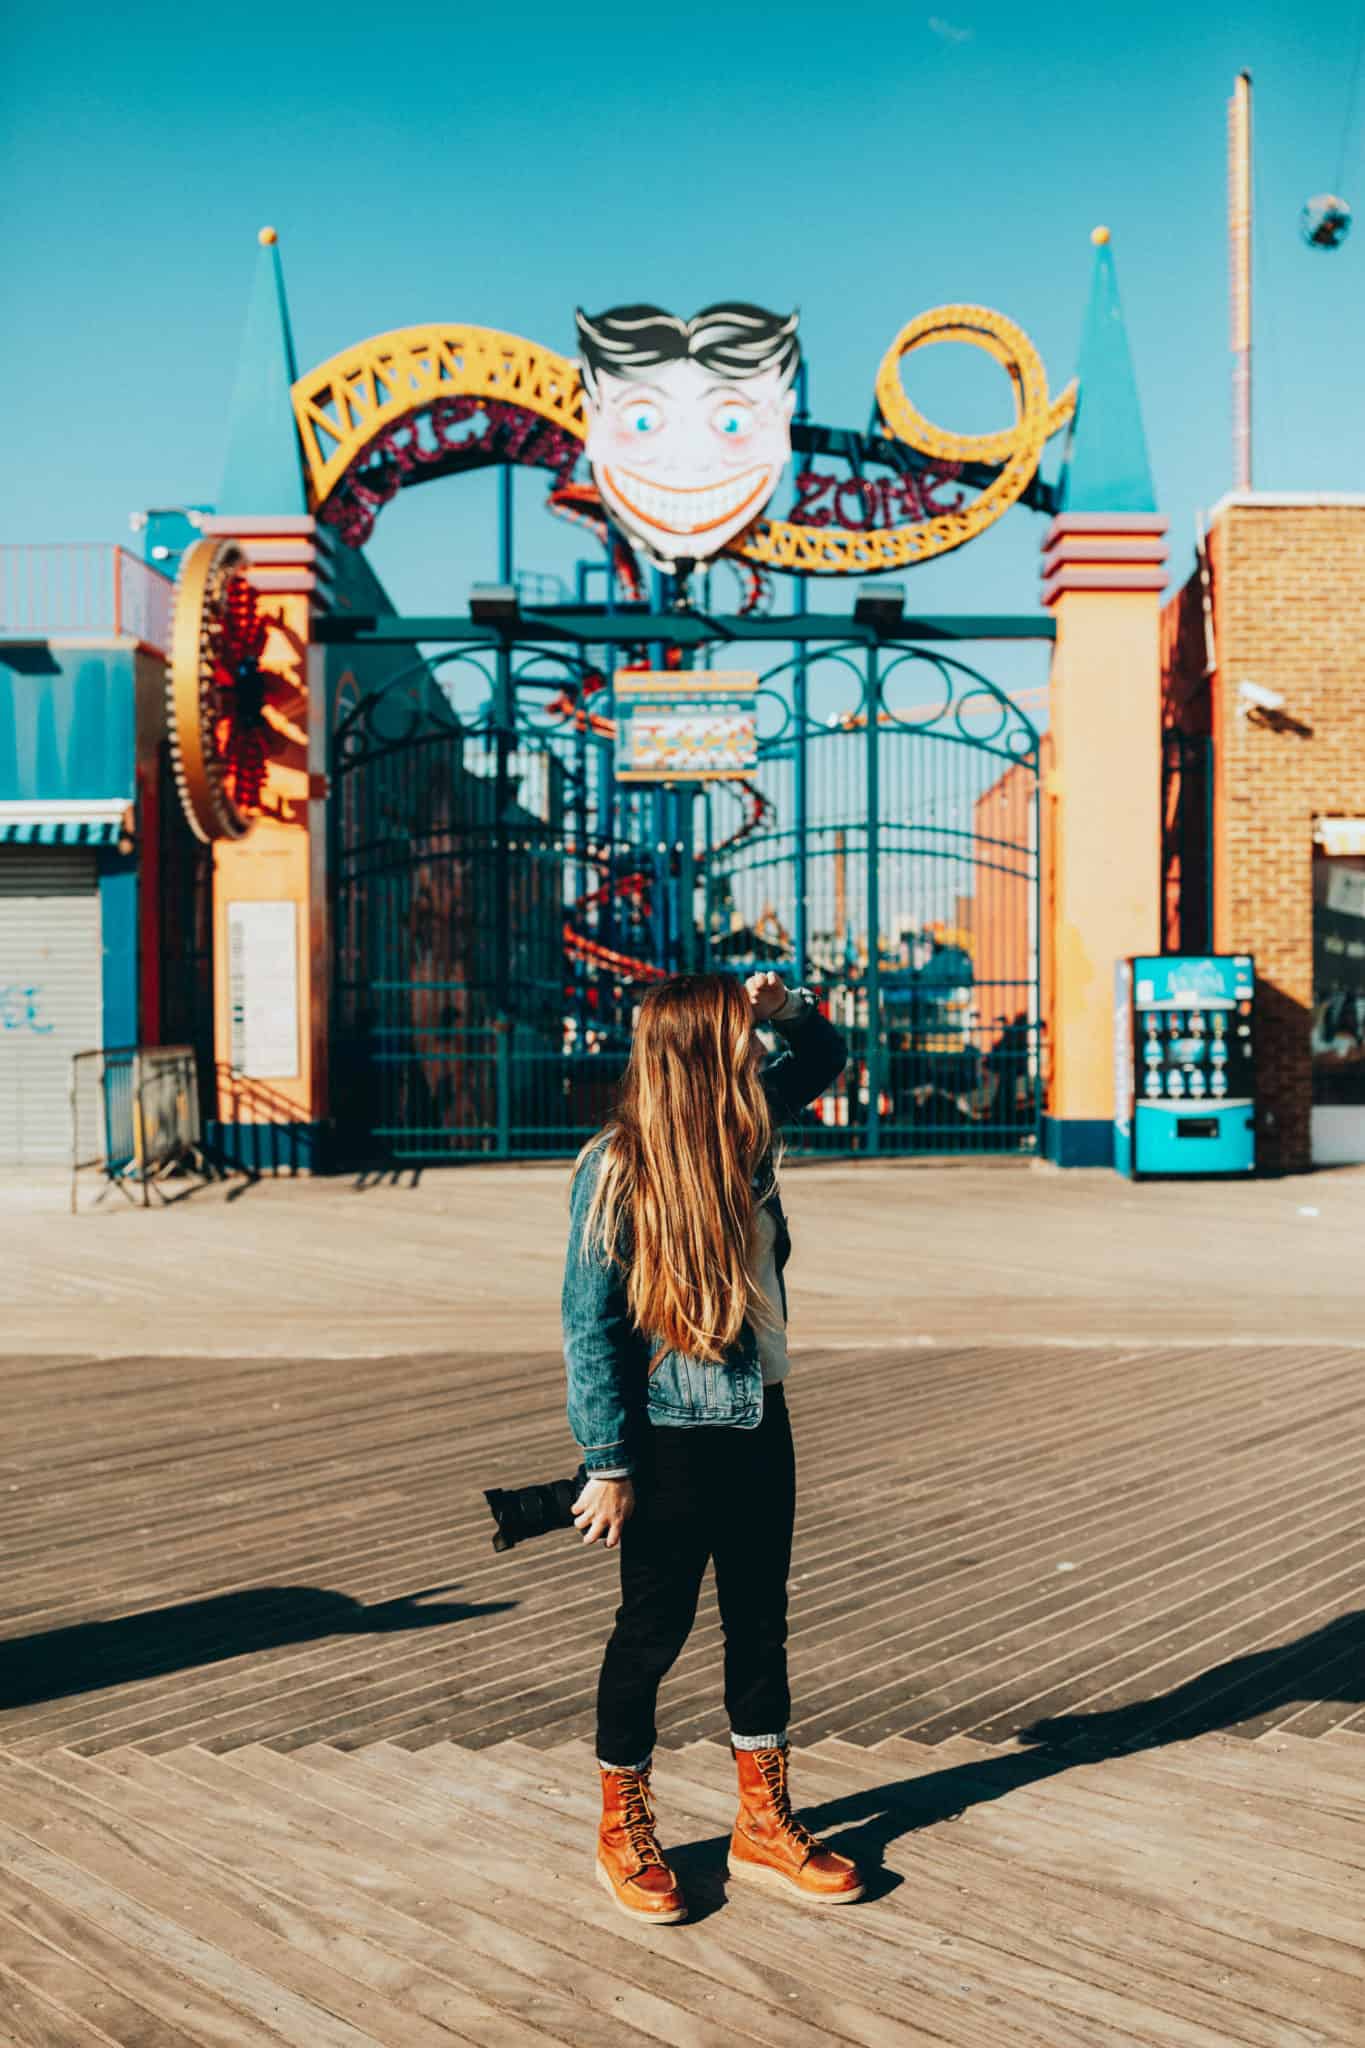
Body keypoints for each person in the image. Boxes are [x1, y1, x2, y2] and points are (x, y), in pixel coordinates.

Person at [562, 968, 866, 1923]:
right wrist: (607, 1463)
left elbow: (822, 1054)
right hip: (665, 1438)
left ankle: (760, 1824)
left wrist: (780, 1007)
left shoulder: (746, 1131)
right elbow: (590, 1326)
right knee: (651, 1635)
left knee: (760, 1626)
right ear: (698, 1045)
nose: (753, 1044)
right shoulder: (615, 1167)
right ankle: (623, 1825)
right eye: (738, 1028)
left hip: (757, 1421)